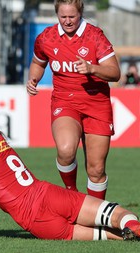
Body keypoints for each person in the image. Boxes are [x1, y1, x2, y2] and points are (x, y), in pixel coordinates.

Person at [0, 113, 140, 241]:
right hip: (50, 195)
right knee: (119, 214)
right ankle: (135, 226)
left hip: (37, 222)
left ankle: (125, 236)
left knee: (108, 237)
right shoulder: (0, 142)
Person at [26, 0, 121, 199]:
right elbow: (38, 61)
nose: (67, 21)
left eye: (72, 17)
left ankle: (95, 213)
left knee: (96, 170)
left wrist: (92, 68)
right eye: (63, 17)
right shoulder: (46, 37)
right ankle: (73, 196)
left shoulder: (95, 36)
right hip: (64, 101)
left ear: (80, 14)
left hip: (97, 104)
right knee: (66, 150)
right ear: (57, 15)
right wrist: (33, 78)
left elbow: (115, 72)